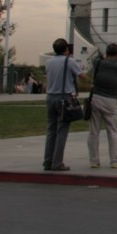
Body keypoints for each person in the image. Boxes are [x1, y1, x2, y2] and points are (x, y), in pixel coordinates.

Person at [42, 38, 82, 171]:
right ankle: (57, 162)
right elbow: (81, 75)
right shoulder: (69, 61)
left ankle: (48, 161)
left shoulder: (49, 62)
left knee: (51, 130)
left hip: (50, 96)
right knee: (62, 131)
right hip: (64, 97)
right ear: (66, 49)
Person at [86, 44, 117, 168]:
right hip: (111, 99)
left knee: (94, 131)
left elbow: (94, 59)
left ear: (107, 53)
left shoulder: (99, 63)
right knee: (112, 130)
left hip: (96, 97)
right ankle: (114, 160)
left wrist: (103, 57)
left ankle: (94, 160)